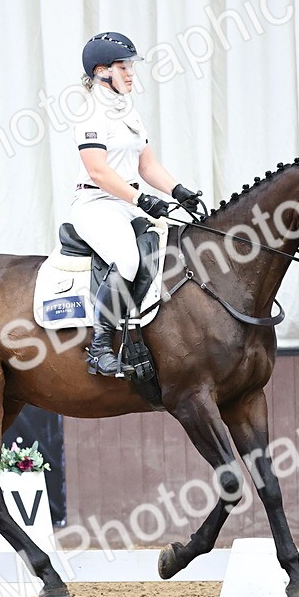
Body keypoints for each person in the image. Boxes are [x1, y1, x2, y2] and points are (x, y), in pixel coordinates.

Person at [69, 32, 202, 376]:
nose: (131, 74)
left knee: (172, 248)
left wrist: (178, 190)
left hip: (127, 203)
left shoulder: (128, 112)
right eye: (123, 66)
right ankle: (99, 348)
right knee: (127, 259)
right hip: (95, 203)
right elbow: (98, 171)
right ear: (101, 71)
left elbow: (147, 166)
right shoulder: (91, 114)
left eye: (131, 66)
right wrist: (141, 198)